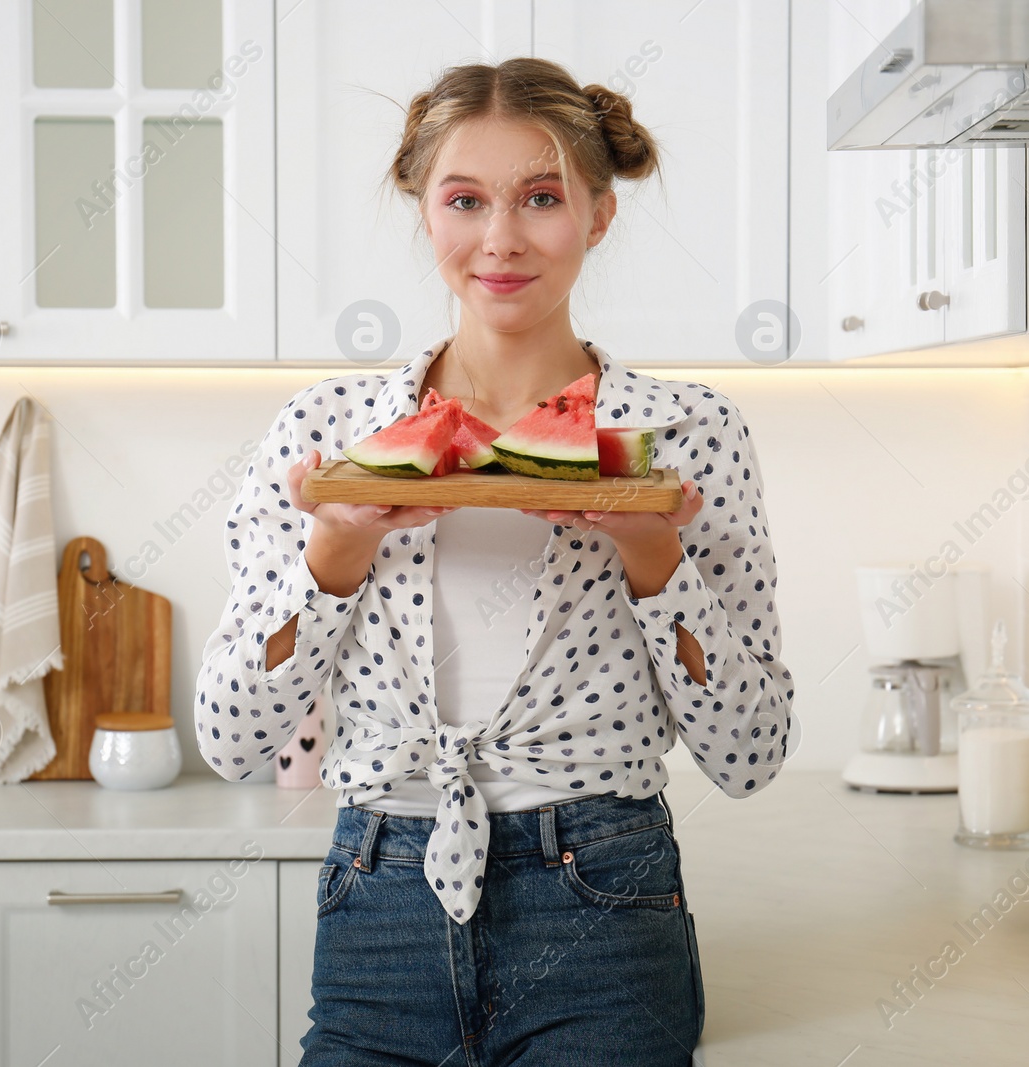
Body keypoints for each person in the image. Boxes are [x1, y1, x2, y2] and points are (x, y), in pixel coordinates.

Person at [193, 56, 796, 1067]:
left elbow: (750, 754)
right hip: (377, 893)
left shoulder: (687, 432)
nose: (501, 238)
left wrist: (657, 559)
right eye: (464, 199)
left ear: (599, 214)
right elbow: (231, 738)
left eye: (542, 198)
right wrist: (332, 554)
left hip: (606, 895)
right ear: (423, 210)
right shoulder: (328, 430)